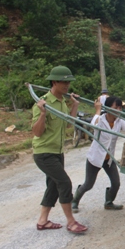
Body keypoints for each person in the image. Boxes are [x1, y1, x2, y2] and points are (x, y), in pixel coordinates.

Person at [31, 66, 87, 234]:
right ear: (54, 81)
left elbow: (68, 124)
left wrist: (74, 105)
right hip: (44, 152)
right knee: (63, 183)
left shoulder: (62, 102)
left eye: (68, 82)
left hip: (57, 151)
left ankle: (42, 221)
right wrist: (42, 114)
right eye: (64, 81)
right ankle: (71, 222)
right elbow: (37, 132)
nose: (67, 85)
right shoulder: (42, 103)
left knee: (53, 185)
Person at [72, 97, 125, 213]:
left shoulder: (119, 121)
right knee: (88, 184)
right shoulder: (100, 119)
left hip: (108, 159)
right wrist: (97, 110)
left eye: (120, 107)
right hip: (95, 158)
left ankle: (108, 202)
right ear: (107, 108)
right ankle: (75, 200)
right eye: (115, 107)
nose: (118, 110)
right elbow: (92, 125)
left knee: (116, 183)